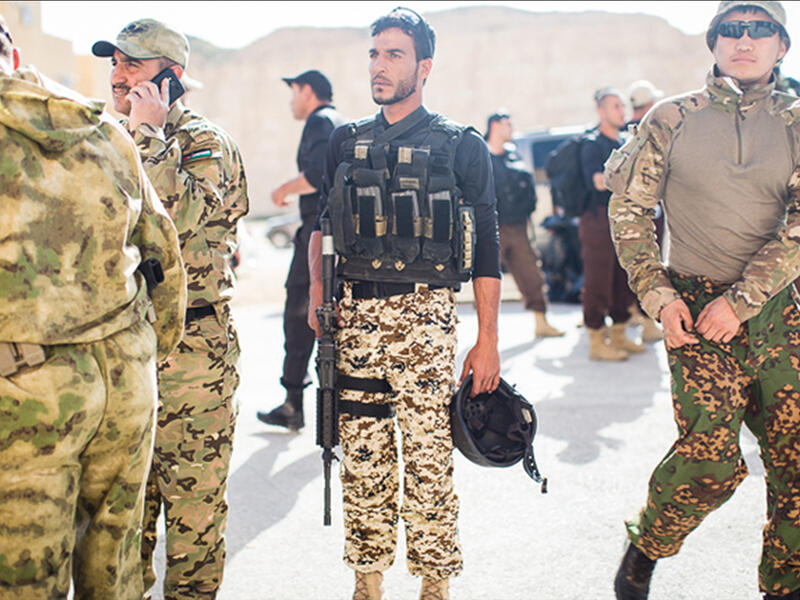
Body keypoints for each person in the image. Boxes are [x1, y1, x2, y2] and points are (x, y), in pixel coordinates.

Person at [606, 2, 800, 598]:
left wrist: (741, 301)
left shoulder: (797, 122)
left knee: (796, 462)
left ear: (782, 45)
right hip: (692, 309)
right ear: (713, 42)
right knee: (710, 461)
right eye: (731, 30)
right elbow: (629, 209)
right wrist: (658, 294)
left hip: (780, 311)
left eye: (760, 29)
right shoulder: (671, 118)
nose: (745, 40)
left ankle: (786, 585)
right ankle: (647, 544)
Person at [307, 7, 501, 600]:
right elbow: (321, 226)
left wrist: (487, 340)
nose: (380, 65)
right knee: (362, 457)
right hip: (355, 321)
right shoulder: (345, 141)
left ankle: (434, 583)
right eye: (374, 53)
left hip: (425, 320)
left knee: (428, 458)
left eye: (394, 54)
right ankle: (367, 580)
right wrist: (318, 299)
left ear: (424, 66)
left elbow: (487, 249)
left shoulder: (461, 146)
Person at [0, 14, 186, 599]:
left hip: (29, 393)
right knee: (115, 566)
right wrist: (152, 350)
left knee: (27, 576)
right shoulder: (102, 127)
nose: (119, 73)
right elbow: (163, 254)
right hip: (126, 379)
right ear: (15, 57)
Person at [92, 18, 249, 599]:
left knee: (193, 517)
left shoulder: (204, 143)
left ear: (171, 78)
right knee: (122, 522)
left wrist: (152, 135)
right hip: (125, 352)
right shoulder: (110, 139)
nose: (118, 75)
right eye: (115, 63)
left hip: (195, 356)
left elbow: (178, 222)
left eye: (132, 64)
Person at [257, 70, 344, 431]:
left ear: (308, 91)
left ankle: (294, 404)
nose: (291, 101)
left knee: (298, 315)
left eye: (293, 92)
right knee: (326, 318)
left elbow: (317, 173)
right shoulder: (338, 122)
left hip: (316, 233)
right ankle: (333, 410)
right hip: (333, 234)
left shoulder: (319, 121)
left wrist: (283, 189)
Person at [485, 111, 564, 338]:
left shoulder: (513, 155)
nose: (511, 129)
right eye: (508, 124)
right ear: (495, 125)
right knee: (487, 278)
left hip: (518, 226)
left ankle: (541, 322)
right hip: (491, 227)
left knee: (531, 273)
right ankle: (486, 331)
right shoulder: (480, 156)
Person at [580, 87, 643, 361]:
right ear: (601, 111)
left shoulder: (624, 141)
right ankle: (596, 339)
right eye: (615, 106)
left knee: (622, 277)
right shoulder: (591, 143)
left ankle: (619, 334)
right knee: (598, 280)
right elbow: (597, 181)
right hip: (597, 219)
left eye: (622, 106)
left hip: (622, 218)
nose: (621, 111)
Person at [625, 80, 666, 344]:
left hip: (629, 212)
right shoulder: (650, 128)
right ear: (650, 103)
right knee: (650, 265)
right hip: (648, 209)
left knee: (632, 264)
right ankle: (648, 321)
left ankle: (635, 314)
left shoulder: (625, 131)